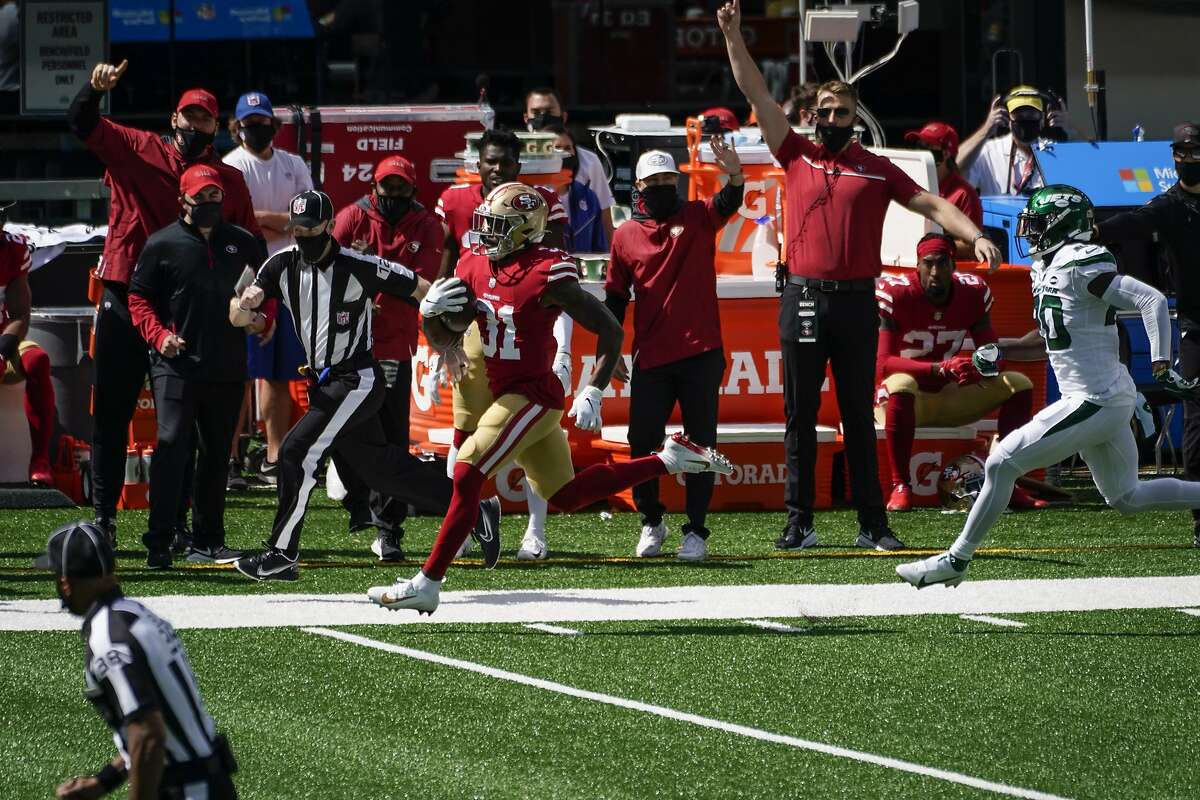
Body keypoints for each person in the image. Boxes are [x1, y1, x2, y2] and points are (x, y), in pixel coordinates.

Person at [367, 182, 734, 613]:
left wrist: (594, 387)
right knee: (566, 495)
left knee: (467, 470)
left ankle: (428, 582)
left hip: (534, 394)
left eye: (498, 225)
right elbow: (448, 334)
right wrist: (430, 316)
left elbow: (610, 329)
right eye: (485, 222)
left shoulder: (547, 272)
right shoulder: (474, 263)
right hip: (508, 392)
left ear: (523, 231)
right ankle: (669, 460)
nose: (485, 232)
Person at [718, 0, 1001, 552]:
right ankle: (799, 521)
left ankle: (872, 522)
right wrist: (732, 35)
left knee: (857, 412)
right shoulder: (794, 152)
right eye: (823, 110)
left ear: (855, 117)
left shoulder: (876, 167)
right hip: (802, 296)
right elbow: (755, 91)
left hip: (855, 301)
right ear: (813, 115)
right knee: (799, 415)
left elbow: (933, 205)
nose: (830, 119)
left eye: (841, 112)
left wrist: (975, 236)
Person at [898, 185, 1200, 588]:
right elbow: (1046, 341)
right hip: (1104, 396)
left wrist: (1161, 366)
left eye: (1038, 225)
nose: (1030, 233)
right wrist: (997, 351)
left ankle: (956, 560)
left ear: (1065, 226)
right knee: (1127, 497)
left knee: (1001, 461)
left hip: (1095, 398)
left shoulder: (1081, 262)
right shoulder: (1051, 268)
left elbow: (1152, 302)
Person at [231, 190, 500, 582]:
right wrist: (246, 303)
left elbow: (424, 291)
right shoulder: (279, 266)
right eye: (297, 228)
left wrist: (448, 342)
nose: (303, 235)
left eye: (311, 228)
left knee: (295, 452)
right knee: (383, 473)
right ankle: (474, 508)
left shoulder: (357, 265)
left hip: (356, 378)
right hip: (324, 383)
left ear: (327, 226)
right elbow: (237, 318)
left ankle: (281, 553)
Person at [68, 60, 261, 548]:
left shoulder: (226, 181)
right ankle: (104, 521)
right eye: (188, 116)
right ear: (173, 118)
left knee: (182, 428)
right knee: (111, 414)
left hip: (186, 310)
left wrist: (253, 301)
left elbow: (248, 246)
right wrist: (93, 91)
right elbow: (82, 124)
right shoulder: (138, 148)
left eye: (204, 120)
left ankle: (175, 525)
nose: (195, 126)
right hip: (125, 292)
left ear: (217, 128)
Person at [435, 128, 572, 561]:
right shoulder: (458, 201)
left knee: (532, 432)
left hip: (522, 329)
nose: (497, 169)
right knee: (463, 435)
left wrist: (564, 347)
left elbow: (554, 282)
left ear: (518, 166)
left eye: (505, 163)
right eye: (490, 161)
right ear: (479, 163)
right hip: (477, 331)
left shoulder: (540, 204)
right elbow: (447, 275)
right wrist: (445, 341)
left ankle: (536, 530)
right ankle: (462, 524)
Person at [604, 145, 742, 562]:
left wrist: (735, 174)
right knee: (641, 443)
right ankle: (651, 520)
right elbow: (613, 299)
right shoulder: (625, 235)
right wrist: (610, 354)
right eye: (656, 181)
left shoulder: (698, 216)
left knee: (702, 445)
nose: (665, 186)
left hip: (701, 353)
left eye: (670, 180)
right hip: (652, 357)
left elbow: (728, 200)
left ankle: (696, 531)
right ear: (640, 186)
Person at [127, 165, 267, 569]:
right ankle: (160, 538)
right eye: (200, 198)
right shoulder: (161, 244)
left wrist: (264, 319)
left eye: (214, 197)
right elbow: (139, 298)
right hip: (177, 362)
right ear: (182, 201)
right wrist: (159, 336)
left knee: (216, 452)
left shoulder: (241, 242)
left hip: (226, 362)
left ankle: (208, 540)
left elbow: (266, 290)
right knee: (172, 445)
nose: (209, 205)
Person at [38, 520, 238, 799]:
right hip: (209, 782)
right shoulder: (137, 614)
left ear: (66, 581)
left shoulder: (109, 638)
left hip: (187, 791)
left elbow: (148, 735)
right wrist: (104, 781)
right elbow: (157, 728)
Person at [875, 233, 1046, 512]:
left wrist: (979, 370)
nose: (935, 272)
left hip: (950, 394)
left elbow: (992, 354)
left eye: (942, 263)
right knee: (902, 383)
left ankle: (1008, 483)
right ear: (917, 265)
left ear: (953, 265)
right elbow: (884, 363)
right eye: (928, 263)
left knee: (1019, 384)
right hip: (905, 399)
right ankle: (900, 484)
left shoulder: (973, 292)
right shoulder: (898, 293)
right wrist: (939, 368)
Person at [331, 154, 445, 560]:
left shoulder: (428, 225)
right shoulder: (350, 219)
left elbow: (423, 284)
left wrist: (369, 280)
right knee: (338, 430)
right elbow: (325, 272)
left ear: (413, 190)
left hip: (395, 344)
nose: (392, 195)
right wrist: (362, 296)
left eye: (401, 188)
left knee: (393, 435)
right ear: (372, 188)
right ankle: (356, 496)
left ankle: (389, 529)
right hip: (347, 345)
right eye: (386, 187)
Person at [1094, 122, 1200, 548]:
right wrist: (1091, 231)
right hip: (1197, 328)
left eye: (1195, 151)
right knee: (1197, 423)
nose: (1188, 159)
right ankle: (1199, 519)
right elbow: (1131, 223)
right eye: (1182, 152)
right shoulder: (1171, 206)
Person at [223, 91, 313, 488]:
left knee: (278, 373)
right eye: (249, 123)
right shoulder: (231, 165)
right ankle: (231, 459)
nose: (256, 129)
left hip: (289, 273)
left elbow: (308, 214)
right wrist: (281, 221)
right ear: (237, 125)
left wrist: (273, 221)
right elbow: (238, 220)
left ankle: (275, 457)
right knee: (239, 373)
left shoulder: (292, 163)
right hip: (243, 273)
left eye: (262, 122)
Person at [0, 213, 56, 485]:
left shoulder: (11, 248)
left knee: (37, 360)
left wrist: (4, 346)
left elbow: (20, 313)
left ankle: (40, 459)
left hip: (2, 338)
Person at [524, 86, 616, 242]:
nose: (543, 117)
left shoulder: (589, 161)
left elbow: (604, 216)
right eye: (537, 113)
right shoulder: (516, 161)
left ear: (563, 116)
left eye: (549, 112)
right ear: (526, 118)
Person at [958, 85, 1070, 197]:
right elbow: (955, 167)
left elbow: (1085, 169)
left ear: (1042, 119)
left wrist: (1070, 129)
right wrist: (986, 130)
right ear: (1007, 118)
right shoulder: (989, 151)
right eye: (1018, 114)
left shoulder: (1054, 151)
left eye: (1031, 114)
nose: (1025, 119)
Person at [903, 121, 983, 257]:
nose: (921, 150)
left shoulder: (964, 194)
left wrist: (934, 246)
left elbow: (971, 247)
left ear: (945, 154)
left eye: (928, 146)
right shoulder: (910, 183)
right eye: (920, 145)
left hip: (945, 270)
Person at [548, 125, 608, 253]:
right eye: (557, 148)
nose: (564, 153)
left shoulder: (589, 197)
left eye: (568, 148)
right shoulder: (534, 197)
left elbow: (600, 248)